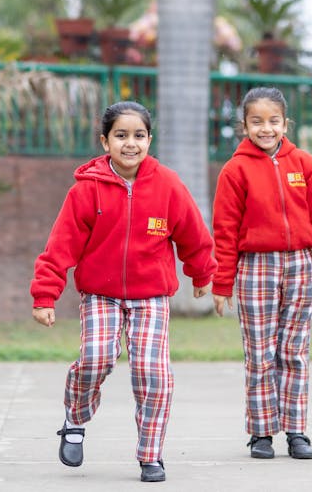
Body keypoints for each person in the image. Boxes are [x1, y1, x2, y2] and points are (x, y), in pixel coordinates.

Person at [30, 101, 217, 484]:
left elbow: (194, 235)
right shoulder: (86, 191)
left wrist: (201, 274)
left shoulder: (168, 185)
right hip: (101, 294)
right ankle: (75, 418)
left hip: (151, 297)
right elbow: (60, 245)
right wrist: (45, 295)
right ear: (105, 141)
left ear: (149, 139)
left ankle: (151, 455)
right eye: (120, 136)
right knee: (96, 358)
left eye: (138, 135)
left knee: (153, 371)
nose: (130, 144)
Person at [210, 86, 312, 461]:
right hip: (255, 268)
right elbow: (224, 230)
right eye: (257, 122)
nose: (265, 129)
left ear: (286, 123)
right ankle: (260, 432)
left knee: (295, 352)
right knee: (259, 352)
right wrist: (222, 283)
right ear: (244, 126)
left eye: (273, 121)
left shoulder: (305, 165)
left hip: (301, 265)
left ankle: (296, 430)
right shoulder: (234, 170)